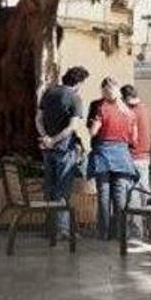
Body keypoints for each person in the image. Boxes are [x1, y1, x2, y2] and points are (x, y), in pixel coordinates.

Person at [36, 66, 90, 241]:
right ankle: (62, 230)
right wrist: (55, 140)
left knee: (50, 188)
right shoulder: (75, 98)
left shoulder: (49, 93)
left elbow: (38, 118)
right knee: (62, 190)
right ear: (79, 82)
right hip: (64, 150)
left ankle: (49, 229)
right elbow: (72, 127)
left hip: (47, 149)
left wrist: (45, 137)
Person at [87, 77, 138, 241]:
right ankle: (120, 233)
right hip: (122, 155)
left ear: (104, 91)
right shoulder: (129, 112)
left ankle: (104, 233)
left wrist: (94, 124)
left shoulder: (101, 108)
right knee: (120, 196)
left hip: (103, 154)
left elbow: (93, 132)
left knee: (103, 195)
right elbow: (134, 139)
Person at [121, 84, 151, 239]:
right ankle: (150, 228)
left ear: (126, 99)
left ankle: (136, 230)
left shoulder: (130, 111)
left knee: (132, 193)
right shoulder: (145, 108)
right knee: (145, 192)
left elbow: (129, 136)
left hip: (133, 157)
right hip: (145, 157)